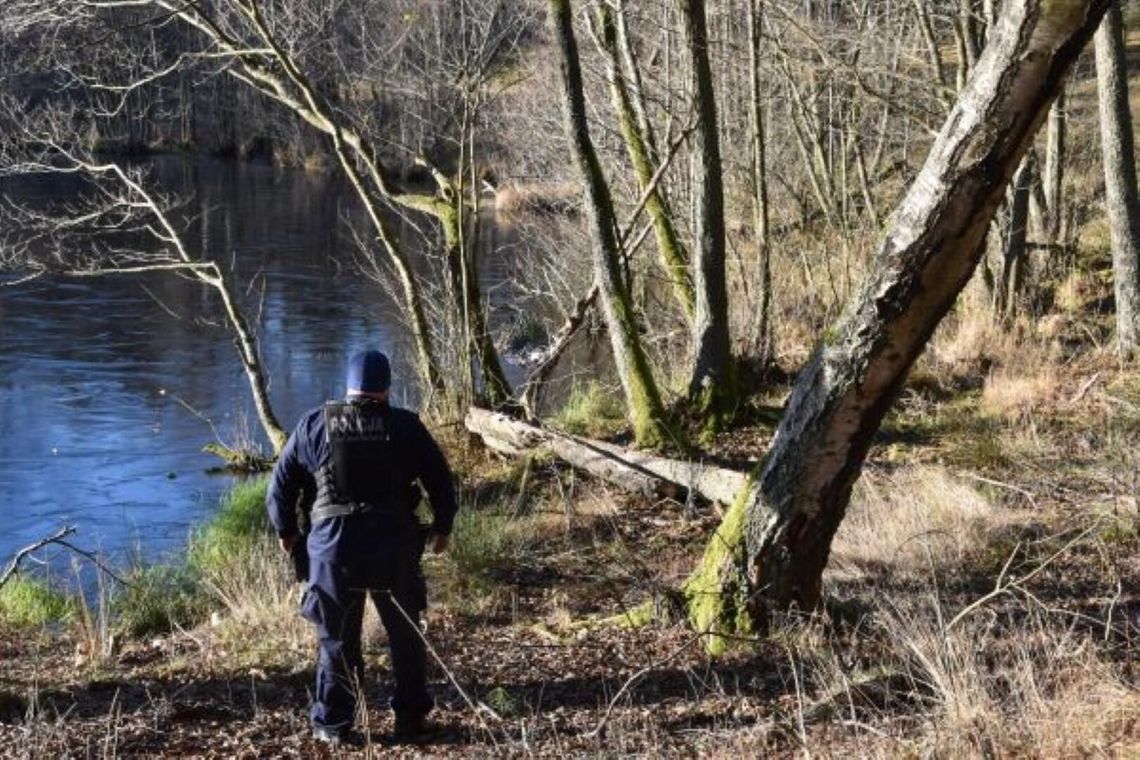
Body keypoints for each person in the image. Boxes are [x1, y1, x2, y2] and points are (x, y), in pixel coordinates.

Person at [266, 349, 457, 746]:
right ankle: (411, 719)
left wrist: (287, 532)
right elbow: (441, 481)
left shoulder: (314, 424)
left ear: (349, 387)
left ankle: (333, 726)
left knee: (336, 640)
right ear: (386, 388)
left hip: (333, 550)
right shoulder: (406, 426)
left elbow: (280, 487)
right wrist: (442, 527)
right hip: (395, 546)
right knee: (405, 634)